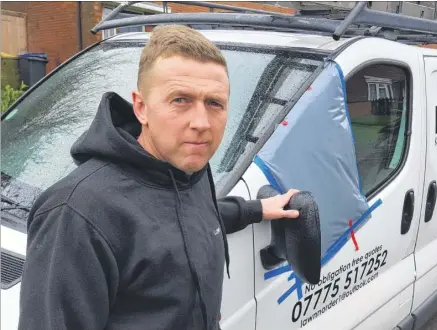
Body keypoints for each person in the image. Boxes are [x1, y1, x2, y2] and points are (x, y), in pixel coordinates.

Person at [18, 25, 300, 330]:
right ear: (141, 107)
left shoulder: (186, 170)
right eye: (180, 100)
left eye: (214, 103)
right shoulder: (77, 214)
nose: (202, 123)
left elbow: (189, 215)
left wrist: (255, 210)